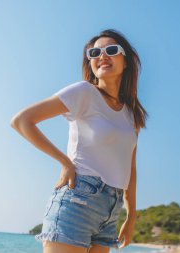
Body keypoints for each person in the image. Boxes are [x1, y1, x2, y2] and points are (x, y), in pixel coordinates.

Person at [10, 29, 148, 253]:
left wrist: (131, 215)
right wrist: (65, 162)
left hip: (111, 211)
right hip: (77, 201)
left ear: (127, 62)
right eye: (94, 53)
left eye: (111, 50)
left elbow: (130, 167)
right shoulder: (84, 92)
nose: (102, 56)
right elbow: (22, 121)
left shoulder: (132, 116)